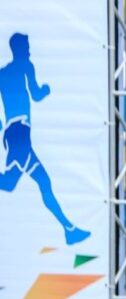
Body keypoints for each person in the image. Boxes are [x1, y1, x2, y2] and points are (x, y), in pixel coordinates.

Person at [0, 32, 90, 245]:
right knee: (43, 182)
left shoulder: (2, 73)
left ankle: (69, 230)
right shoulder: (25, 65)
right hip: (21, 132)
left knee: (12, 182)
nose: (30, 50)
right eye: (27, 46)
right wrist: (46, 89)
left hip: (14, 133)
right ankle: (69, 230)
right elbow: (36, 93)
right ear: (20, 49)